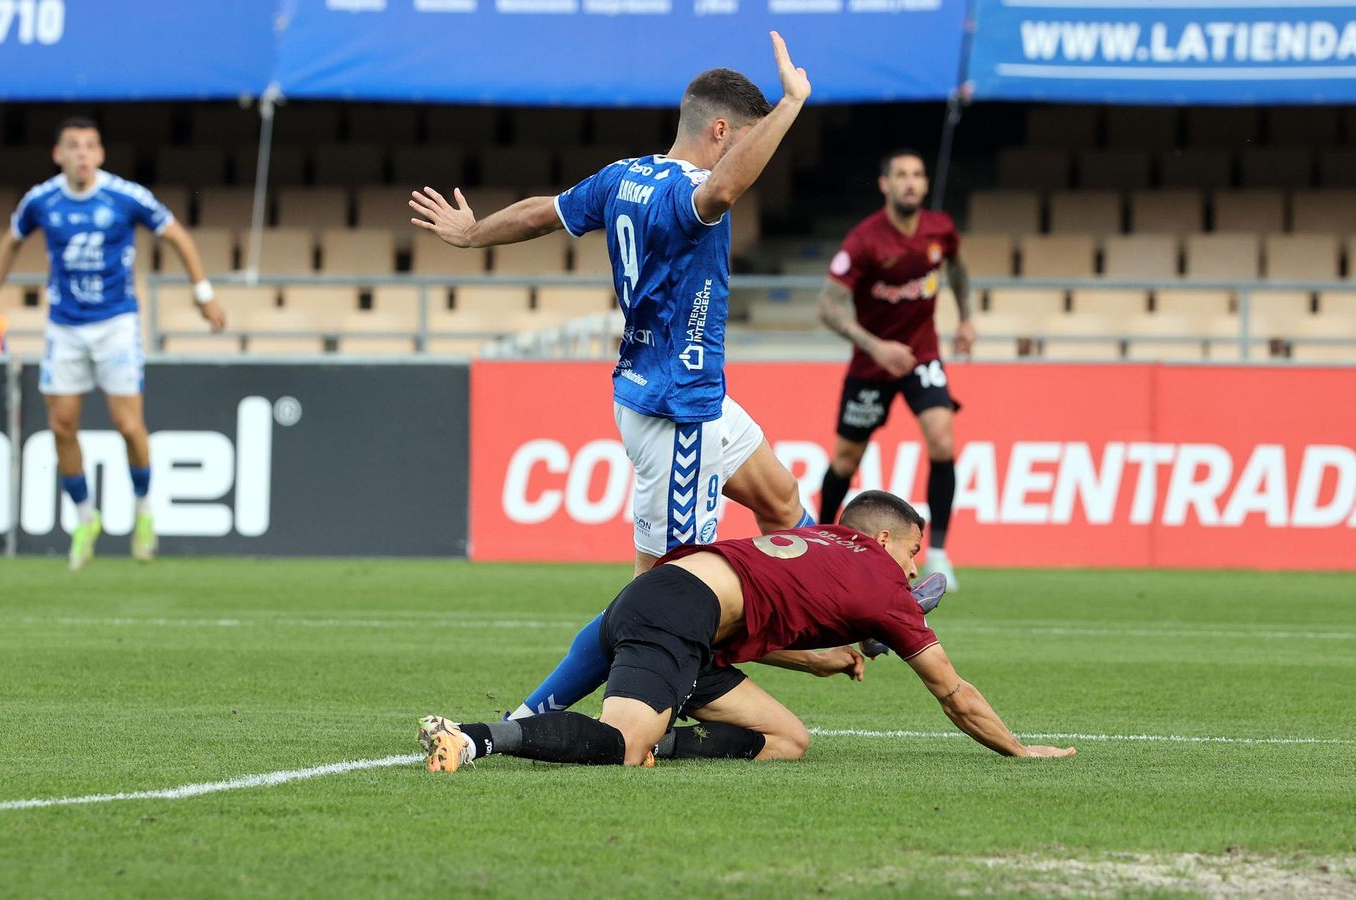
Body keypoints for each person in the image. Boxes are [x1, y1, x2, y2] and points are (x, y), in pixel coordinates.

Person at [411, 32, 818, 719]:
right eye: (750, 140)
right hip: (674, 411)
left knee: (781, 500)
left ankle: (849, 606)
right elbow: (724, 185)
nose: (756, 153)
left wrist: (475, 233)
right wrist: (792, 104)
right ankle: (532, 717)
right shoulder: (689, 192)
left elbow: (546, 211)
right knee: (658, 600)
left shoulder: (624, 176)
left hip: (686, 394)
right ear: (722, 131)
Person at [418, 490, 1077, 770]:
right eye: (913, 553)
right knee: (621, 745)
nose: (913, 571)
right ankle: (473, 738)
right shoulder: (882, 581)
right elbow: (953, 693)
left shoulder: (817, 539)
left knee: (787, 739)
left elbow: (766, 613)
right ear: (882, 538)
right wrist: (1018, 751)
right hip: (674, 616)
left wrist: (824, 661)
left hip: (668, 603)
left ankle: (659, 743)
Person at [0, 116, 227, 569]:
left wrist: (203, 294)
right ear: (59, 154)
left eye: (90, 146)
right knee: (61, 426)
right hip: (65, 325)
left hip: (116, 323)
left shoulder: (125, 196)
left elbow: (177, 235)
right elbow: (10, 242)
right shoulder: (42, 200)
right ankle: (84, 518)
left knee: (128, 425)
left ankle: (144, 510)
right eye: (73, 146)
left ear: (101, 154)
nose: (82, 154)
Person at [815, 149, 974, 591]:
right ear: (884, 184)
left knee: (943, 439)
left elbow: (958, 272)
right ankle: (818, 545)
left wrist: (965, 319)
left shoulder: (940, 230)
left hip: (922, 355)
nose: (910, 182)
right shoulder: (864, 240)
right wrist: (876, 345)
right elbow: (827, 308)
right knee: (846, 460)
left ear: (924, 184)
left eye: (917, 175)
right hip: (872, 363)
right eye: (900, 175)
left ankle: (938, 547)